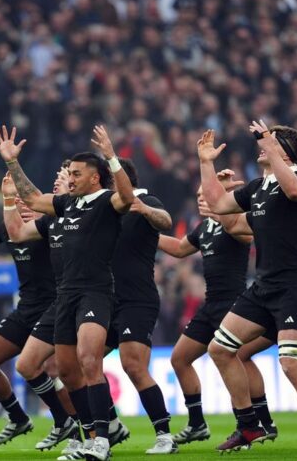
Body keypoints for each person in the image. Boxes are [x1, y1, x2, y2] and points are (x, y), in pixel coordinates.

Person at [0, 124, 135, 461]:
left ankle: (102, 439)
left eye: (76, 173)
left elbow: (128, 197)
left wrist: (111, 156)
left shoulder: (105, 201)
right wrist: (12, 163)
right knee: (68, 372)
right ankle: (89, 435)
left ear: (95, 178)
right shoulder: (65, 205)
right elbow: (30, 199)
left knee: (89, 361)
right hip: (65, 297)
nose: (70, 178)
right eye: (68, 173)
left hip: (95, 293)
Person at [198, 123, 297, 458]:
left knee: (292, 365)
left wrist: (272, 146)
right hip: (263, 286)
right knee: (219, 349)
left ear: (282, 149)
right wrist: (205, 163)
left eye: (268, 142)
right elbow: (217, 203)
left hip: (295, 286)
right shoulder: (258, 187)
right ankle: (249, 425)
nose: (260, 146)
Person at [160, 171, 251, 445]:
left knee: (231, 360)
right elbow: (178, 248)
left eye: (205, 195)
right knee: (179, 358)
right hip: (210, 305)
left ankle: (247, 424)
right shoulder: (204, 229)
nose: (200, 200)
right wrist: (146, 233)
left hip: (234, 305)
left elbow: (248, 238)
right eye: (198, 195)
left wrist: (225, 202)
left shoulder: (235, 224)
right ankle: (197, 423)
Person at [0, 164, 83, 457]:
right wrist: (9, 200)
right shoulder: (46, 223)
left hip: (83, 300)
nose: (59, 183)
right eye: (59, 178)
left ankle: (95, 430)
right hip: (46, 306)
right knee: (30, 366)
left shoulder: (81, 215)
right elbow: (13, 232)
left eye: (65, 179)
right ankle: (70, 425)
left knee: (76, 370)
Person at [0, 182, 59, 446]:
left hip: (54, 309)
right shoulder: (8, 229)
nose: (21, 205)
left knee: (58, 370)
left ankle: (75, 423)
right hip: (25, 310)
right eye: (15, 201)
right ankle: (18, 417)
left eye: (26, 200)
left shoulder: (49, 227)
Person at [105, 159, 176, 455]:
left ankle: (164, 436)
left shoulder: (145, 200)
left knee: (133, 364)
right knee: (76, 363)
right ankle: (109, 425)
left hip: (137, 298)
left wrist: (145, 210)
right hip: (103, 300)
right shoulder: (103, 209)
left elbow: (166, 221)